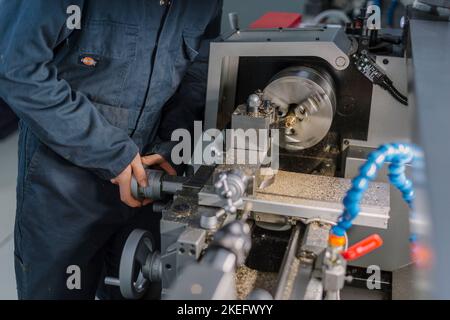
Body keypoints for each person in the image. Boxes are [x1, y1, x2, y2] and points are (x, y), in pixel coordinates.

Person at [0, 0, 222, 299]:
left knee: (138, 284)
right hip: (63, 182)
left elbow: (198, 71)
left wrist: (170, 146)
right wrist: (112, 153)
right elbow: (17, 69)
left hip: (149, 174)